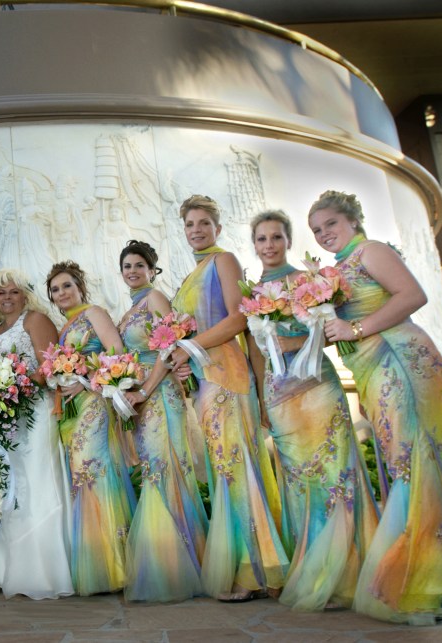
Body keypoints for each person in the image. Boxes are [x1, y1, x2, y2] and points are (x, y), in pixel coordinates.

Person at [308, 190, 442, 624]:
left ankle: (427, 583)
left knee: (417, 464)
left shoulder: (370, 251)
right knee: (404, 465)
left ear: (353, 221)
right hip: (373, 371)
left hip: (402, 361)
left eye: (330, 225)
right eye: (317, 230)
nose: (324, 234)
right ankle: (419, 572)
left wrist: (354, 326)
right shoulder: (332, 272)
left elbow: (413, 296)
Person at [247, 211, 378, 611]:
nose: (269, 244)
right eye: (261, 239)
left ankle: (348, 573)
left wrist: (295, 344)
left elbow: (325, 329)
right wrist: (259, 393)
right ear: (254, 245)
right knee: (299, 479)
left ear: (288, 240)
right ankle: (311, 565)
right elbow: (255, 350)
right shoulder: (252, 291)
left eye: (276, 237)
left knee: (334, 471)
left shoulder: (310, 281)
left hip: (317, 386)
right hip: (277, 391)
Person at [168, 195, 288, 601]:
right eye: (189, 224)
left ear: (217, 228)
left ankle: (254, 570)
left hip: (230, 378)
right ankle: (255, 564)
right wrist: (185, 358)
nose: (196, 230)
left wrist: (190, 347)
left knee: (237, 470)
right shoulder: (194, 271)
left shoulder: (224, 261)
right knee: (226, 471)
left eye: (204, 223)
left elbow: (241, 319)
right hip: (206, 380)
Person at [115, 241, 207, 603]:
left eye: (140, 265)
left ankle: (172, 567)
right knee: (155, 471)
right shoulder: (130, 310)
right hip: (141, 400)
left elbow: (170, 348)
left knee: (163, 469)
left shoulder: (155, 300)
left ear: (153, 270)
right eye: (127, 266)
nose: (133, 271)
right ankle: (169, 561)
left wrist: (145, 390)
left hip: (160, 396)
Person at [0, 269, 73, 600]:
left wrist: (14, 386)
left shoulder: (34, 320)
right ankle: (10, 566)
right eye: (1, 293)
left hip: (36, 414)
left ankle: (44, 571)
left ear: (25, 295)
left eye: (13, 292)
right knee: (15, 487)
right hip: (8, 421)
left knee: (38, 482)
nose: (7, 298)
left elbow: (53, 365)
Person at [45, 261, 132, 596]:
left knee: (93, 473)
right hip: (71, 412)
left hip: (94, 405)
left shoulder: (94, 313)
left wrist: (84, 382)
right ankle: (98, 564)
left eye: (67, 285)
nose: (62, 293)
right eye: (55, 289)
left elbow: (118, 354)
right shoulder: (63, 328)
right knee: (80, 480)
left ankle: (114, 566)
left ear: (80, 286)